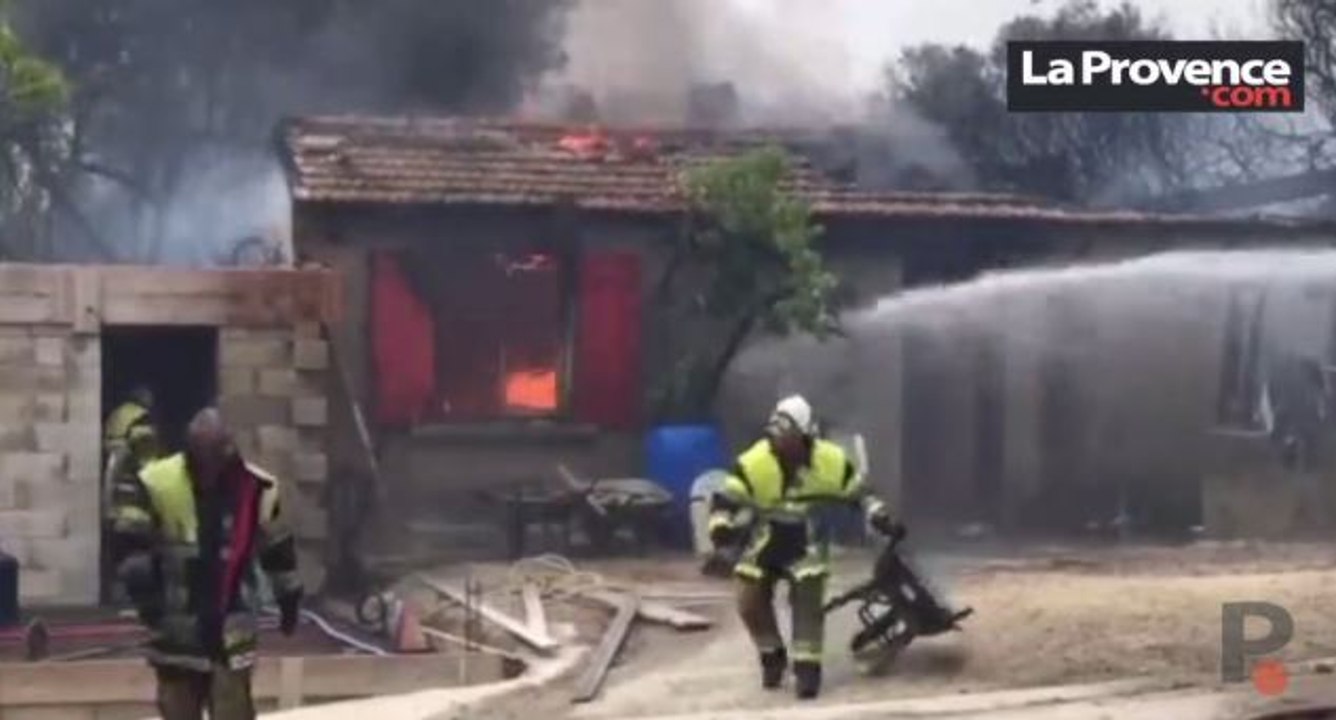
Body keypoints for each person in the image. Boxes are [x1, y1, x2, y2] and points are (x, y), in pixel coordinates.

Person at [111, 408, 303, 720]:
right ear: (191, 451)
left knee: (232, 710)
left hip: (231, 630)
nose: (211, 466)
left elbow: (278, 550)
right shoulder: (158, 482)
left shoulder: (257, 489)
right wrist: (145, 587)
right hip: (175, 627)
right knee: (178, 708)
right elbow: (128, 541)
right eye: (205, 456)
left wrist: (289, 597)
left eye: (217, 455)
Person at [708, 395, 899, 700]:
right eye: (776, 435)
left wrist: (879, 515)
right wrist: (721, 531)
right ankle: (771, 655)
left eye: (788, 436)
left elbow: (860, 493)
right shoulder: (755, 462)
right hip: (767, 537)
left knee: (808, 592)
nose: (780, 442)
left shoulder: (831, 461)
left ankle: (808, 670)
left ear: (806, 436)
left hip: (807, 539)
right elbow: (725, 500)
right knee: (748, 596)